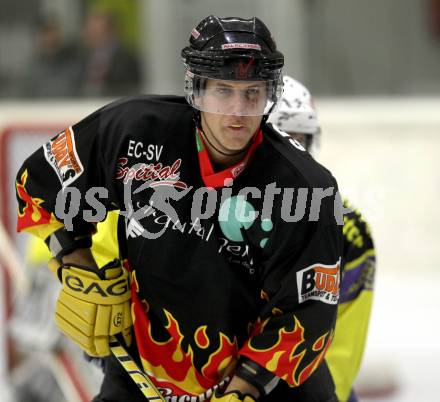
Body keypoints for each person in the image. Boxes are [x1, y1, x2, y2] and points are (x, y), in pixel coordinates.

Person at [15, 16, 343, 402]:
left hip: (268, 387)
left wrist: (242, 392)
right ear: (196, 88)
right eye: (224, 91)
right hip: (144, 372)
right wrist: (77, 266)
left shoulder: (307, 189)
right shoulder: (133, 132)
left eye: (252, 94)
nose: (238, 111)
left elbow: (307, 312)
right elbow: (40, 184)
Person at [268, 76, 376, 402]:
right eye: (281, 138)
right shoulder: (216, 212)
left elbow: (344, 341)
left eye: (299, 139)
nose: (292, 151)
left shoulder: (349, 230)